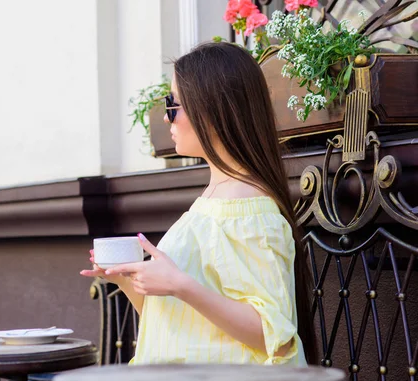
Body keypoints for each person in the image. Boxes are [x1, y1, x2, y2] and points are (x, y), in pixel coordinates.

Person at [80, 41, 317, 366]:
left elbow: (273, 336)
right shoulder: (217, 198)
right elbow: (178, 323)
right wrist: (126, 281)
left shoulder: (249, 209)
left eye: (172, 104)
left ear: (212, 110)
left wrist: (180, 284)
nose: (166, 118)